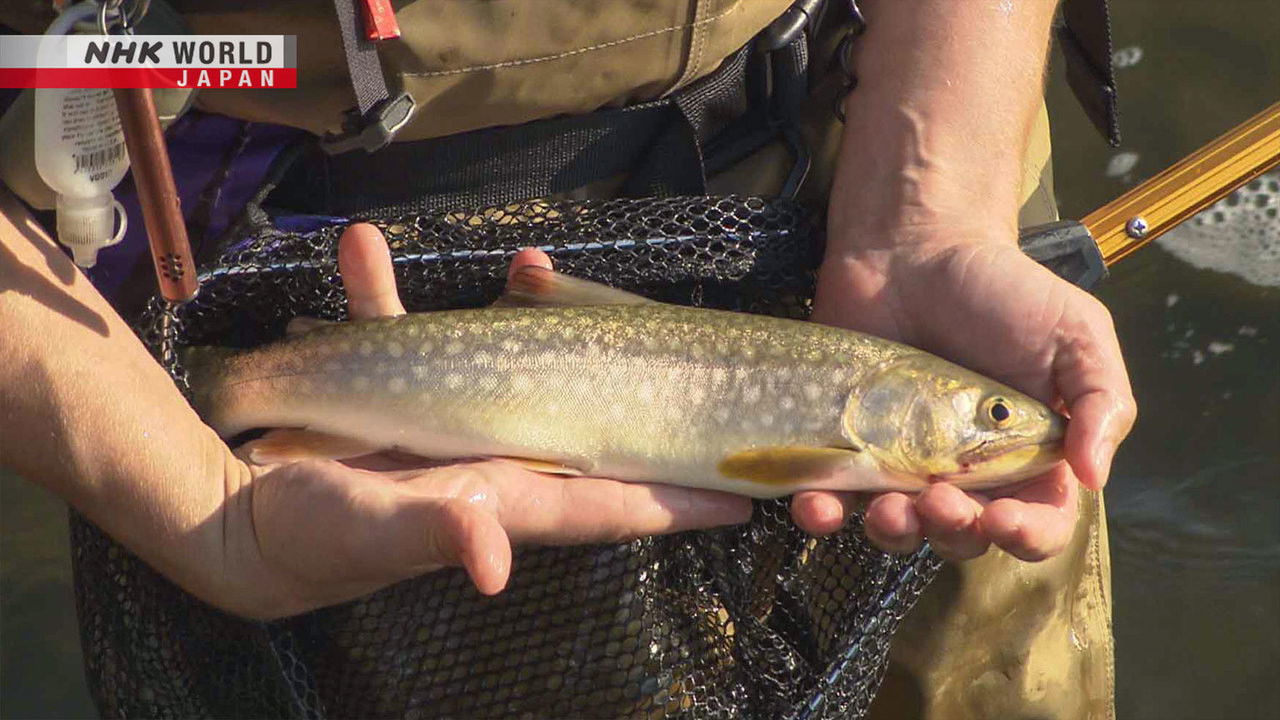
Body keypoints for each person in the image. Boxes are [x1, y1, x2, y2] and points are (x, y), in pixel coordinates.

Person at [0, 0, 1136, 717]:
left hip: (895, 129)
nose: (1012, 432)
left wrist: (932, 210)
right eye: (993, 420)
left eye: (985, 420)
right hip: (249, 184)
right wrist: (196, 504)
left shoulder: (926, 352)